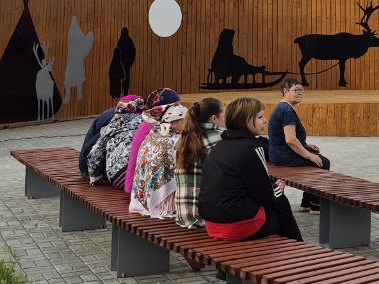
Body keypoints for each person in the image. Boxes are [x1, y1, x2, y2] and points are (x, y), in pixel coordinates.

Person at [200, 97, 302, 241]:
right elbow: (264, 195)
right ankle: (297, 248)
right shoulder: (253, 147)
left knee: (274, 202)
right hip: (236, 227)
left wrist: (272, 189)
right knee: (280, 204)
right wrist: (276, 189)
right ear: (245, 121)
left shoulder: (219, 146)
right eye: (260, 117)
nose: (265, 121)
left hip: (212, 225)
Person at [267, 78, 330, 213]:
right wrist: (309, 155)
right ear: (285, 91)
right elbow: (290, 140)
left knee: (317, 158)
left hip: (278, 154)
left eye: (301, 90)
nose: (300, 93)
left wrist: (306, 145)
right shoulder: (287, 110)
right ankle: (314, 204)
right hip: (283, 156)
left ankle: (306, 203)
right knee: (322, 162)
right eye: (296, 90)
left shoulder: (283, 107)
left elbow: (286, 136)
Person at [173, 98, 227, 229]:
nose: (226, 118)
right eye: (224, 115)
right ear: (214, 118)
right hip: (206, 219)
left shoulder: (182, 139)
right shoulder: (219, 140)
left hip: (184, 215)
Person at [129, 101, 188, 218]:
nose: (189, 124)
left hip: (144, 196)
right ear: (175, 122)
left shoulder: (153, 134)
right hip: (163, 202)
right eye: (186, 120)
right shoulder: (175, 140)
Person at [125, 88, 180, 195]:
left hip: (133, 183)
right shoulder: (159, 126)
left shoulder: (150, 121)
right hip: (140, 188)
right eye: (177, 106)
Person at [86, 94, 146, 186]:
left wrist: (96, 177)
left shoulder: (109, 128)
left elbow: (94, 155)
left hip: (116, 177)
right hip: (139, 174)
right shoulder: (144, 124)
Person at [79, 102, 118, 177]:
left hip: (87, 163)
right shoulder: (117, 122)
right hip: (93, 169)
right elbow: (90, 148)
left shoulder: (110, 113)